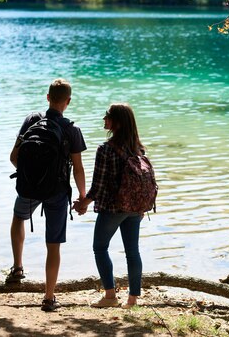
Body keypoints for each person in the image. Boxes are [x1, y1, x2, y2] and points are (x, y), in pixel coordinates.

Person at [7, 78, 87, 312]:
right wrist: (83, 196)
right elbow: (78, 168)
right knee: (53, 245)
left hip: (29, 188)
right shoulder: (72, 130)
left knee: (18, 218)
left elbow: (14, 157)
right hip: (58, 191)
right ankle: (49, 298)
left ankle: (17, 268)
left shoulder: (32, 120)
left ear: (48, 97)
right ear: (68, 101)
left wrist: (31, 175)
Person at [73, 103, 146, 309]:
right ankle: (132, 300)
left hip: (113, 209)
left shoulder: (106, 150)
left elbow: (98, 186)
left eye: (107, 116)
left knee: (100, 247)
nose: (104, 119)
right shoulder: (138, 149)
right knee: (133, 252)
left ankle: (110, 295)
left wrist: (83, 203)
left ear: (118, 123)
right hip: (134, 208)